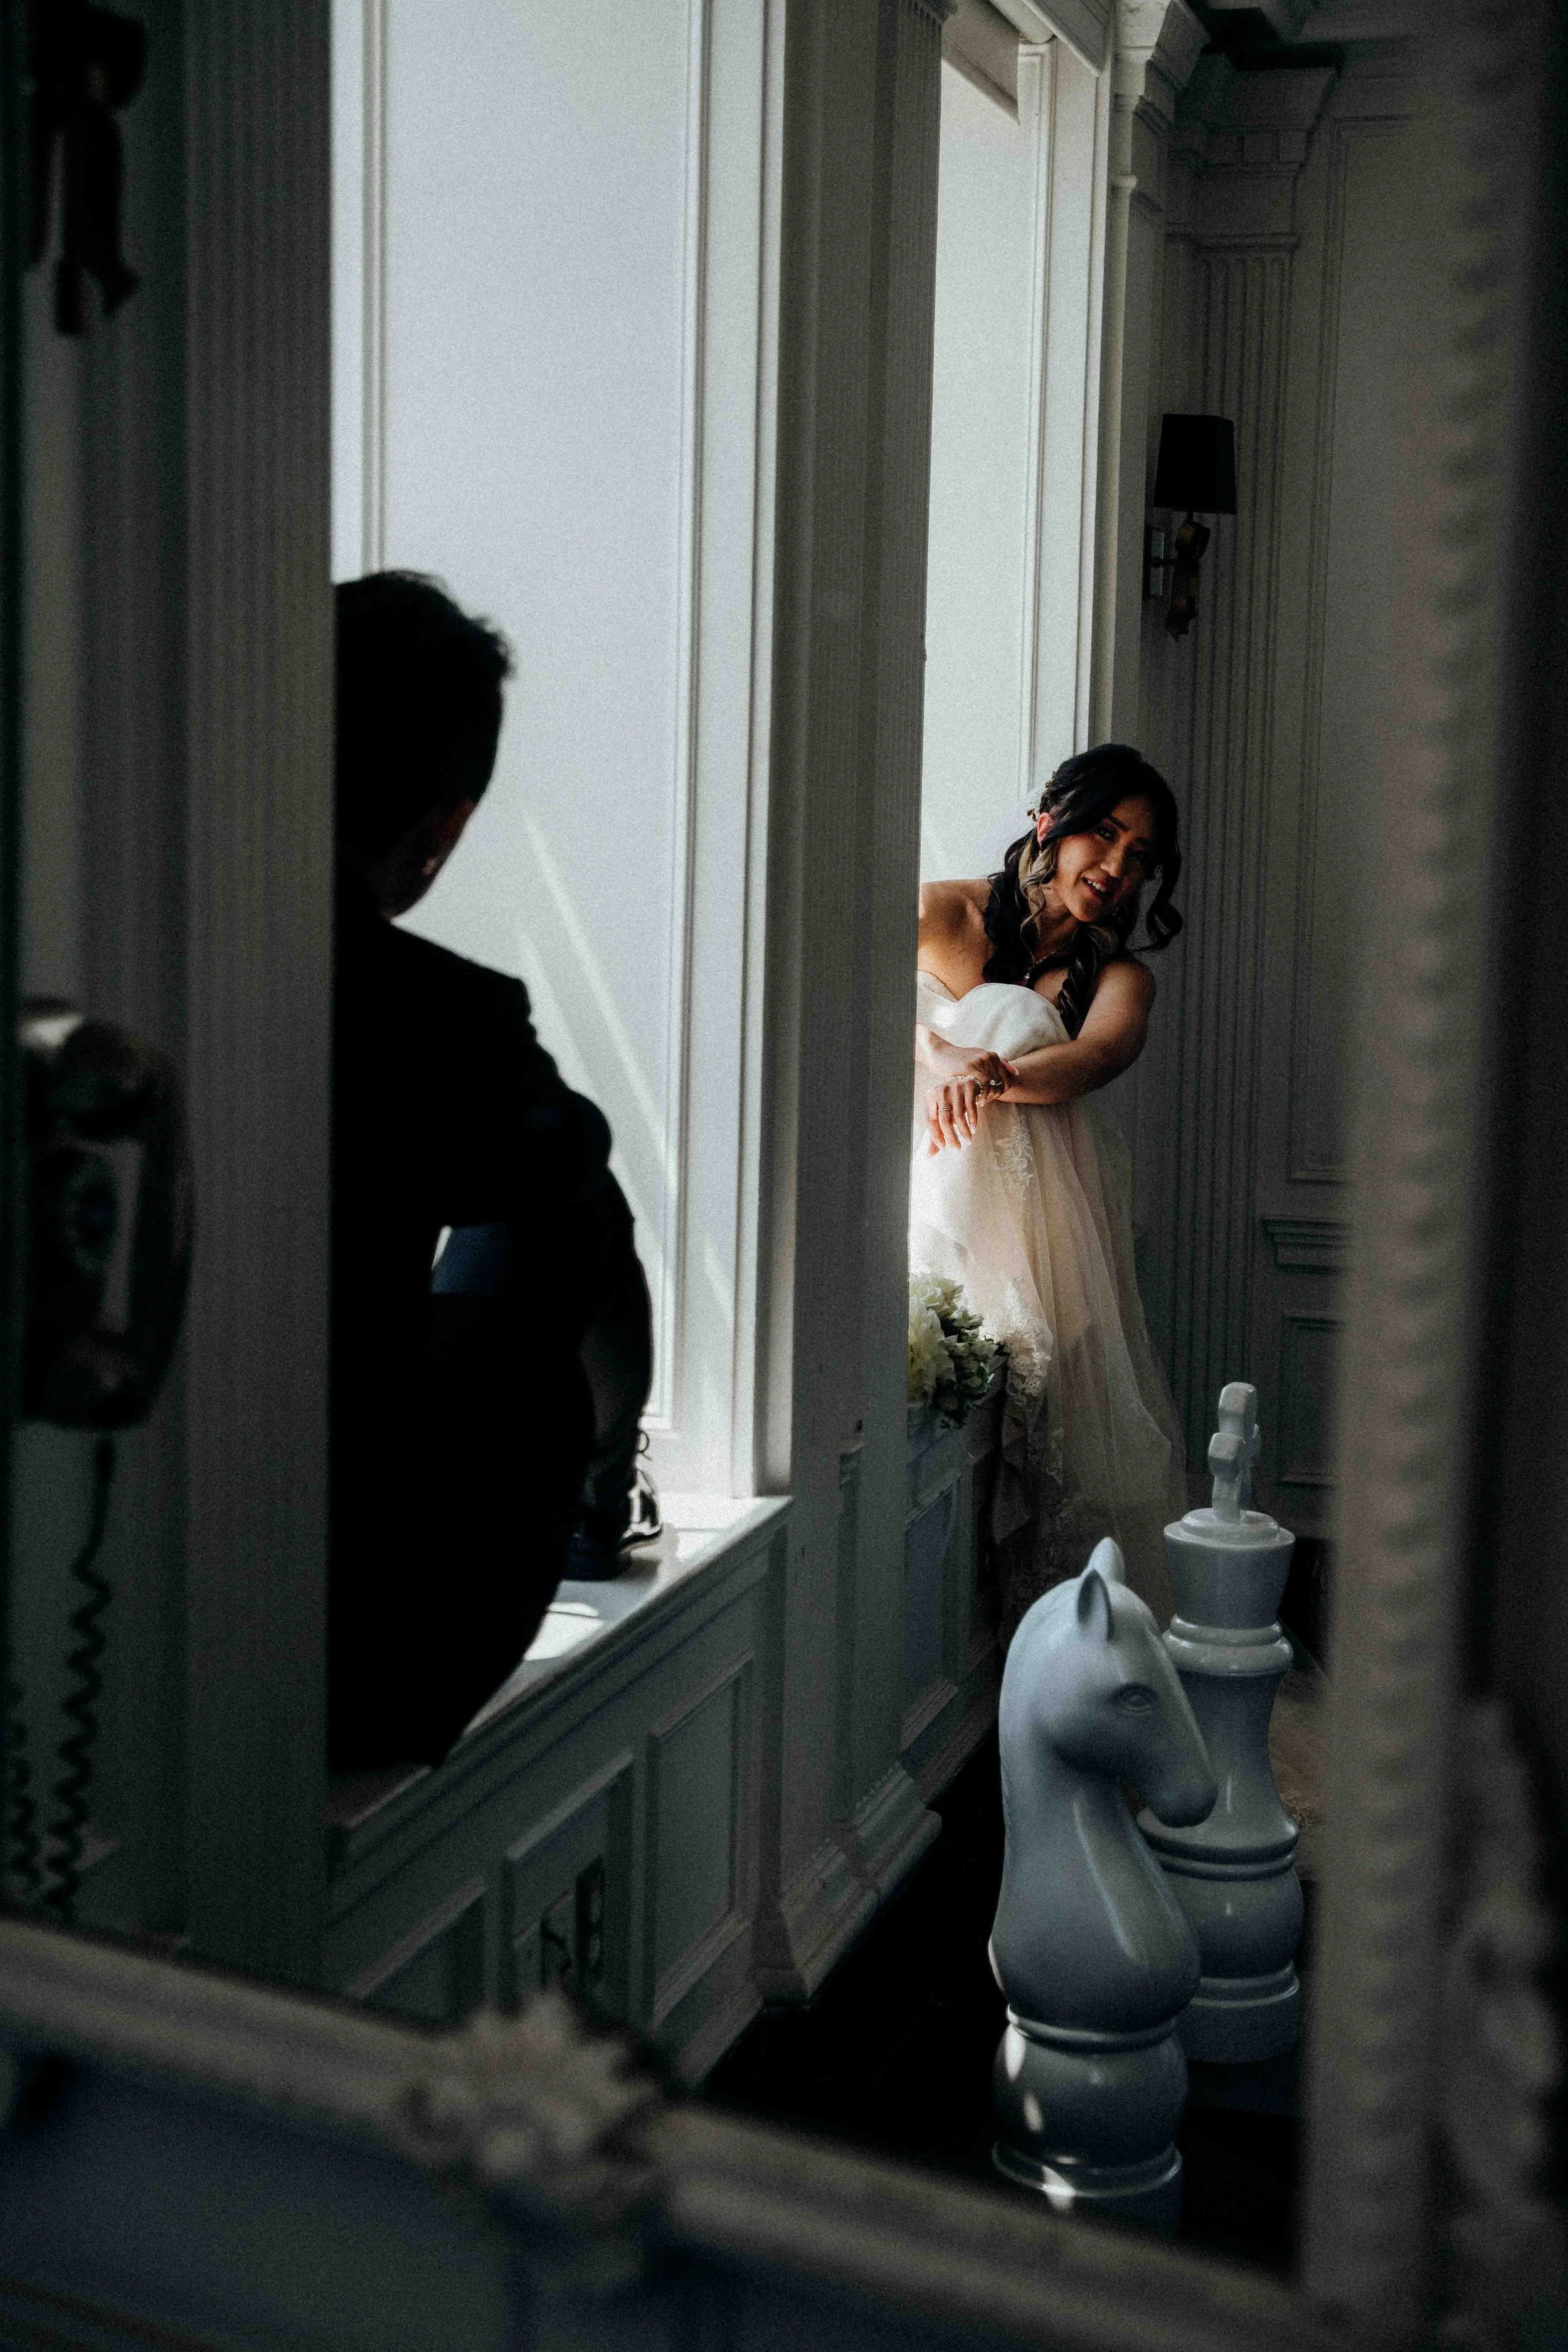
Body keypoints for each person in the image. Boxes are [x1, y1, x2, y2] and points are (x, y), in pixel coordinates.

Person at [331, 571, 655, 1772]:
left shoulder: (121, 941)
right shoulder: (440, 1015)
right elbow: (575, 1162)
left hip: (163, 1565)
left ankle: (607, 1493)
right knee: (571, 1198)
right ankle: (607, 1497)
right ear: (446, 826)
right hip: (368, 1641)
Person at [912, 743, 1189, 1632]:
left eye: (1140, 855)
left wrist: (987, 1076)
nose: (1116, 867)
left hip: (1038, 1213)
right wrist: (943, 1055)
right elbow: (853, 998)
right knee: (1000, 1014)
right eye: (1103, 834)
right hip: (910, 1171)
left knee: (1019, 1016)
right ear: (1049, 823)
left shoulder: (1122, 978)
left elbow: (1094, 1059)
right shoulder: (940, 911)